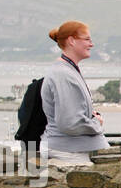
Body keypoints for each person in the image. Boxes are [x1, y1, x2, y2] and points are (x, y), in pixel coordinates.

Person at [40, 21, 110, 164]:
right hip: (70, 153)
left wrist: (90, 116)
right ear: (71, 40)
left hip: (73, 151)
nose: (91, 44)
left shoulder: (67, 70)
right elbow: (70, 123)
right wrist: (96, 122)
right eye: (87, 39)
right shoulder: (63, 74)